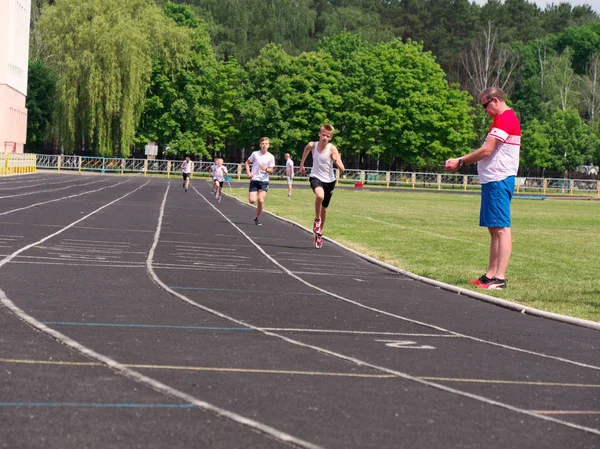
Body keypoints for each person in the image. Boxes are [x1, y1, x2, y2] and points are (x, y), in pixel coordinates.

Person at [445, 87, 520, 290]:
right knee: (494, 228)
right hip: (492, 180)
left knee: (502, 229)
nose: (484, 111)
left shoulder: (505, 118)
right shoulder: (501, 119)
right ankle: (490, 275)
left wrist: (460, 161)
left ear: (494, 101)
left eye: (485, 106)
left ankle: (500, 278)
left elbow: (487, 150)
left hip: (499, 179)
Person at [299, 123, 345, 249]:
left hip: (329, 180)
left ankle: (319, 233)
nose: (325, 137)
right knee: (319, 195)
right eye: (323, 135)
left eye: (327, 136)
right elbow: (306, 149)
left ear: (330, 138)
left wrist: (335, 160)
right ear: (319, 134)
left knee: (324, 208)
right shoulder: (312, 145)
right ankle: (317, 220)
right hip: (316, 177)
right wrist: (302, 164)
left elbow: (342, 169)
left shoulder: (332, 148)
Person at [245, 137, 275, 225]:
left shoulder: (271, 157)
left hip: (264, 181)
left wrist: (265, 169)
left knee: (261, 200)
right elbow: (247, 162)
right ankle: (253, 197)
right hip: (254, 179)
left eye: (266, 144)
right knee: (252, 201)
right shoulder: (255, 154)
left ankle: (257, 218)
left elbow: (271, 170)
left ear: (268, 145)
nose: (264, 145)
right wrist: (248, 172)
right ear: (260, 145)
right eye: (262, 144)